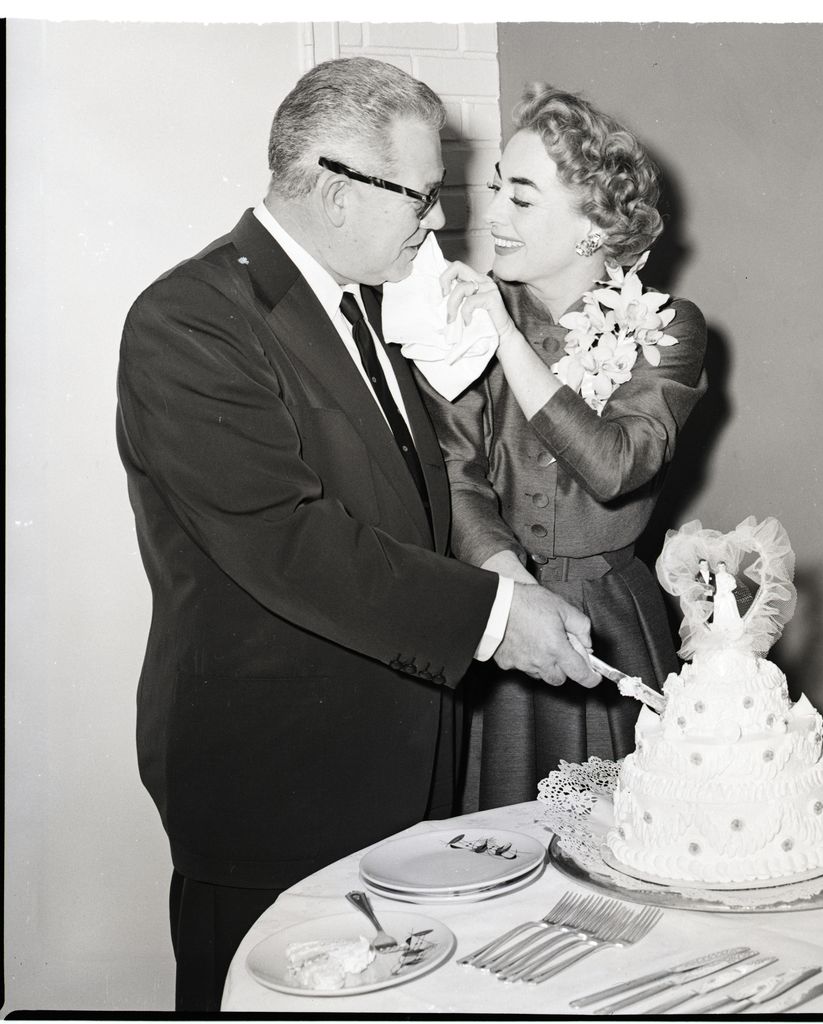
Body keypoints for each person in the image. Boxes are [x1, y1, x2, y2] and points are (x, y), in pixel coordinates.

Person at [115, 58, 599, 1012]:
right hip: (276, 780)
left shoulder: (367, 301)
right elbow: (293, 543)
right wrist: (500, 618)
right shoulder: (189, 321)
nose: (438, 223)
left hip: (395, 761)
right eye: (422, 196)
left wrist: (499, 571)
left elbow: (413, 500)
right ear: (338, 190)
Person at [421, 84, 708, 809]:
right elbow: (455, 476)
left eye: (520, 198)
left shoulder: (669, 327)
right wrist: (513, 596)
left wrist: (509, 343)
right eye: (496, 191)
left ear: (591, 226)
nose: (490, 216)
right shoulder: (462, 315)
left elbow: (615, 465)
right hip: (500, 618)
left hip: (614, 626)